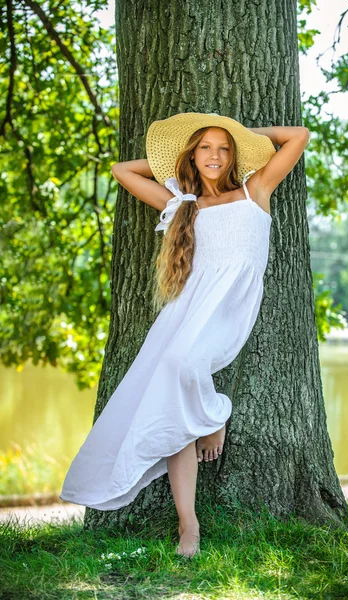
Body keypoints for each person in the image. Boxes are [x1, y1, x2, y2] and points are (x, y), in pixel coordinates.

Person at [59, 112, 310, 558]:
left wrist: (252, 136)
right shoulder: (184, 204)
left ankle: (213, 414)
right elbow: (122, 171)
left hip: (229, 307)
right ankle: (187, 525)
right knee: (170, 414)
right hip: (187, 309)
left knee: (181, 367)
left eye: (224, 148)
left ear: (234, 156)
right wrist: (175, 169)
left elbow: (299, 136)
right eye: (205, 148)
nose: (215, 156)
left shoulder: (256, 190)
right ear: (192, 155)